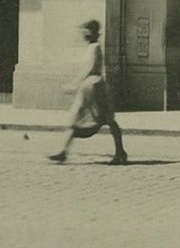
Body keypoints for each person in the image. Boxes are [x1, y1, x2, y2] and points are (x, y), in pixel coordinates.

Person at [49, 19, 129, 165]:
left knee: (103, 119)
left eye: (86, 31)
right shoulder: (92, 47)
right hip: (90, 88)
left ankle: (120, 152)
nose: (83, 34)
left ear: (93, 33)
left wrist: (74, 84)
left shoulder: (95, 47)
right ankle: (63, 152)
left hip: (94, 88)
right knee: (86, 118)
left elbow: (90, 68)